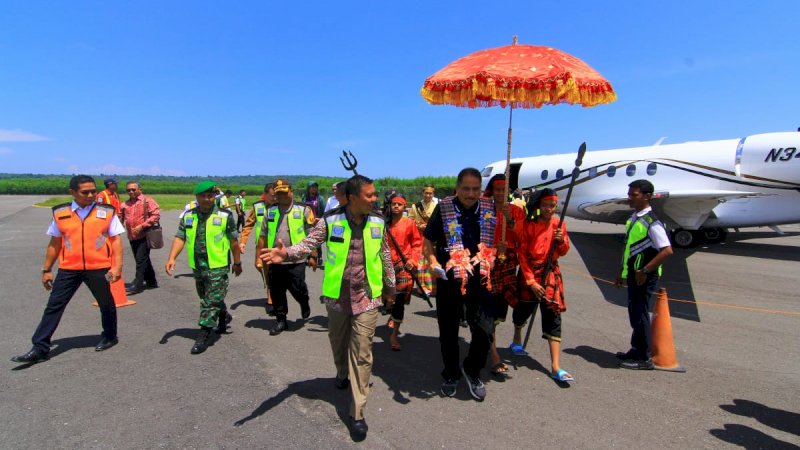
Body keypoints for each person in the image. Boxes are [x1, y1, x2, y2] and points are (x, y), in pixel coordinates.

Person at [260, 174, 395, 441]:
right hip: (337, 297)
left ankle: (357, 412)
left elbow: (385, 254)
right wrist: (286, 253)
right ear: (353, 198)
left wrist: (390, 286)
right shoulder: (331, 220)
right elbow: (308, 243)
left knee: (363, 353)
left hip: (368, 297)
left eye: (375, 194)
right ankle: (342, 372)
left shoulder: (378, 221)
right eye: (369, 195)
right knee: (338, 341)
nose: (375, 199)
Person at [11, 175, 124, 364]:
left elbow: (116, 240)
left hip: (98, 267)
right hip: (69, 268)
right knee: (54, 305)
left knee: (106, 303)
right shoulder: (60, 213)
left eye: (93, 191)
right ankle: (40, 347)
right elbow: (54, 243)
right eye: (85, 192)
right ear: (72, 192)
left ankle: (110, 336)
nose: (91, 195)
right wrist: (46, 269)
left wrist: (117, 266)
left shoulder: (106, 212)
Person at [423, 168, 497, 401]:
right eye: (466, 188)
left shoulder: (489, 208)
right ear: (457, 188)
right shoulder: (444, 208)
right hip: (450, 281)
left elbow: (510, 226)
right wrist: (432, 261)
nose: (471, 194)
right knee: (448, 332)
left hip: (480, 279)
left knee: (485, 331)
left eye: (476, 189)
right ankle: (451, 374)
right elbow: (428, 240)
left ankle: (472, 370)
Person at [165, 181, 242, 355]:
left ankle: (204, 334)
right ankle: (224, 315)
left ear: (214, 196)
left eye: (210, 196)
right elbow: (180, 237)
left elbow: (233, 241)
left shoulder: (224, 215)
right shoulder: (188, 216)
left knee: (210, 301)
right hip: (198, 266)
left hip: (218, 265)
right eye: (203, 196)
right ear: (197, 197)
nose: (207, 199)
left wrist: (237, 263)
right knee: (206, 296)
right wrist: (171, 258)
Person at [508, 188, 574, 382]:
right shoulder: (528, 225)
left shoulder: (559, 224)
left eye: (552, 206)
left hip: (551, 273)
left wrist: (561, 241)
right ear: (539, 205)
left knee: (553, 314)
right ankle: (517, 337)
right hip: (529, 274)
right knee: (523, 310)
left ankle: (555, 366)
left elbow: (564, 251)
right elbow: (522, 254)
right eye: (545, 205)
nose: (549, 209)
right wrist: (530, 281)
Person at [615, 179, 673, 370]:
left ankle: (644, 357)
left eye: (634, 194)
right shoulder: (634, 218)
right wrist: (622, 273)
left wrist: (646, 270)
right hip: (634, 274)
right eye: (629, 194)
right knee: (635, 313)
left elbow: (666, 250)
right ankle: (636, 348)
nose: (629, 198)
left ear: (647, 196)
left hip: (645, 276)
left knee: (640, 315)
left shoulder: (651, 222)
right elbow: (629, 250)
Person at [255, 179, 316, 335]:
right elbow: (262, 235)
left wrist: (313, 256)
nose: (282, 196)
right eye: (279, 194)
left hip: (297, 259)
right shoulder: (271, 211)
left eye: (284, 192)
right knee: (276, 291)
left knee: (298, 288)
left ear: (291, 192)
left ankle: (304, 301)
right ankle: (281, 320)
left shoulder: (303, 210)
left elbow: (313, 235)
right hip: (274, 259)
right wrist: (259, 256)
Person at [484, 174, 525, 379]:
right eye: (497, 190)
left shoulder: (516, 211)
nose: (500, 193)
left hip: (507, 264)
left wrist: (510, 220)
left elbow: (521, 237)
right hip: (488, 263)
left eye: (503, 190)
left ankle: (499, 341)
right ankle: (494, 356)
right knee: (488, 309)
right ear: (492, 191)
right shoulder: (484, 210)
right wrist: (492, 248)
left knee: (501, 308)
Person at [384, 193, 422, 351]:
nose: (396, 206)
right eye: (394, 204)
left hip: (403, 265)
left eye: (399, 204)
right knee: (387, 298)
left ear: (404, 206)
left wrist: (413, 260)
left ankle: (394, 334)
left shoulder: (409, 223)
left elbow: (417, 243)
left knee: (400, 298)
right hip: (385, 265)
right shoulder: (383, 223)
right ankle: (390, 308)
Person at [239, 183, 276, 314]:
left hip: (277, 247)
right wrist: (243, 242)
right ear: (265, 194)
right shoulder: (257, 207)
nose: (275, 198)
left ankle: (273, 299)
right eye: (272, 195)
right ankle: (271, 298)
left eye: (276, 196)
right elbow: (248, 225)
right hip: (262, 247)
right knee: (267, 272)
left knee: (277, 274)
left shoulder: (281, 207)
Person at [120, 181, 161, 295]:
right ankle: (151, 281)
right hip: (132, 236)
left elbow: (156, 215)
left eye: (133, 189)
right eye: (128, 190)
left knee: (140, 260)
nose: (131, 192)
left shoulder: (147, 201)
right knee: (143, 259)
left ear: (140, 190)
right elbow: (120, 218)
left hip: (145, 235)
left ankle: (137, 284)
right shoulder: (124, 204)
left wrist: (142, 226)